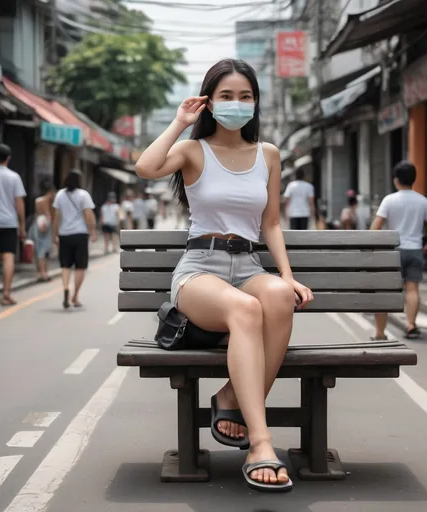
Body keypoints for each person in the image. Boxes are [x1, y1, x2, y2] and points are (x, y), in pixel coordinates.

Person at [135, 58, 314, 492]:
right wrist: (180, 122)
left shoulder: (268, 154)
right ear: (210, 103)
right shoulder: (194, 151)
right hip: (199, 270)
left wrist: (287, 277)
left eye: (246, 96)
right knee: (246, 309)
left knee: (275, 298)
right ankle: (261, 443)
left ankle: (231, 396)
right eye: (227, 96)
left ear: (256, 102)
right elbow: (145, 166)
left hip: (248, 264)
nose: (237, 103)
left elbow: (270, 222)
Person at [370, 161, 427, 340]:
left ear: (396, 180)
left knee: (385, 290)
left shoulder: (390, 200)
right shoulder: (423, 201)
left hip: (394, 251)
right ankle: (410, 325)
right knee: (412, 288)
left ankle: (379, 333)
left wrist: (372, 246)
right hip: (415, 249)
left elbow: (376, 226)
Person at [52, 169, 97, 309]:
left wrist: (55, 234)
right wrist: (92, 231)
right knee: (80, 267)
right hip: (80, 235)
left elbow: (56, 217)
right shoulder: (83, 195)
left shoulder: (60, 195)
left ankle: (66, 288)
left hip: (64, 235)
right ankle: (75, 296)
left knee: (65, 265)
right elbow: (88, 215)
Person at [0, 143, 26, 306]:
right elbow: (19, 203)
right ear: (8, 159)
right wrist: (22, 225)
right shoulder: (14, 177)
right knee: (8, 256)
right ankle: (6, 293)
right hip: (9, 223)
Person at [28, 177, 56, 281]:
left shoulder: (37, 200)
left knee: (38, 250)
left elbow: (38, 214)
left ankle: (39, 272)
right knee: (43, 251)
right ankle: (44, 273)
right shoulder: (50, 200)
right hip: (45, 226)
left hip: (37, 224)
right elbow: (49, 214)